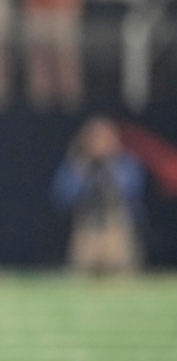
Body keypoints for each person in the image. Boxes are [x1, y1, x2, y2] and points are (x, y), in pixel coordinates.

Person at [52, 116, 145, 276]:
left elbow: (132, 191)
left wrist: (110, 167)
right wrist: (82, 170)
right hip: (87, 229)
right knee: (83, 277)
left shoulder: (125, 164)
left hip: (116, 229)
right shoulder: (77, 165)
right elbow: (63, 197)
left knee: (121, 277)